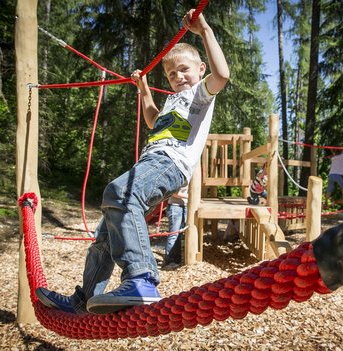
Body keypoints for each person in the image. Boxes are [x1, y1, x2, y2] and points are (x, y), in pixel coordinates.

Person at [35, 9, 229, 315]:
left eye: (184, 70)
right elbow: (153, 121)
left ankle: (141, 278)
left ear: (199, 68)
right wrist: (144, 89)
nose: (179, 77)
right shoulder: (172, 100)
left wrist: (203, 28)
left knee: (118, 193)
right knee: (105, 234)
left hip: (170, 162)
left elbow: (222, 75)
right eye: (172, 74)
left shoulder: (200, 94)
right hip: (150, 163)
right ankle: (84, 299)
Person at [162, 185, 188, 267]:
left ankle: (177, 259)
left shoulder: (189, 177)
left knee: (179, 235)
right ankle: (169, 260)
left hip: (183, 207)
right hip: (175, 206)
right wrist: (189, 196)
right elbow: (173, 192)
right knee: (174, 234)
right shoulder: (180, 177)